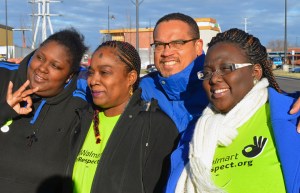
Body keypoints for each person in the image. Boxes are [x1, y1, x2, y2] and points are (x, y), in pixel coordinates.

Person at [139, 12, 300, 192]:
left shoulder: (289, 116)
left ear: (255, 72)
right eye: (160, 45)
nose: (167, 51)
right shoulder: (144, 93)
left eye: (177, 43)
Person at [69, 40, 178, 193]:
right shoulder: (81, 118)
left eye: (104, 72)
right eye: (91, 72)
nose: (93, 81)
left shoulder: (155, 126)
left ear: (131, 77)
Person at [0, 28, 88, 192]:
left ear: (69, 76)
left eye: (55, 65)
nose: (42, 68)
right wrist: (4, 111)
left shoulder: (81, 102)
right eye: (39, 57)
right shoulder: (4, 76)